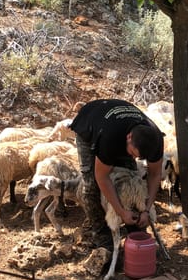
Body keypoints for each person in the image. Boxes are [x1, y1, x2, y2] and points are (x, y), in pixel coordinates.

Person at [70, 98, 164, 250]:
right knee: (91, 184)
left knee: (132, 182)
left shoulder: (156, 140)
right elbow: (102, 177)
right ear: (128, 138)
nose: (134, 159)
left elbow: (154, 175)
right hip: (90, 122)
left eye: (139, 157)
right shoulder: (110, 138)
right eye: (133, 153)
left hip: (118, 125)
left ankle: (134, 226)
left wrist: (146, 209)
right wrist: (120, 212)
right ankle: (102, 236)